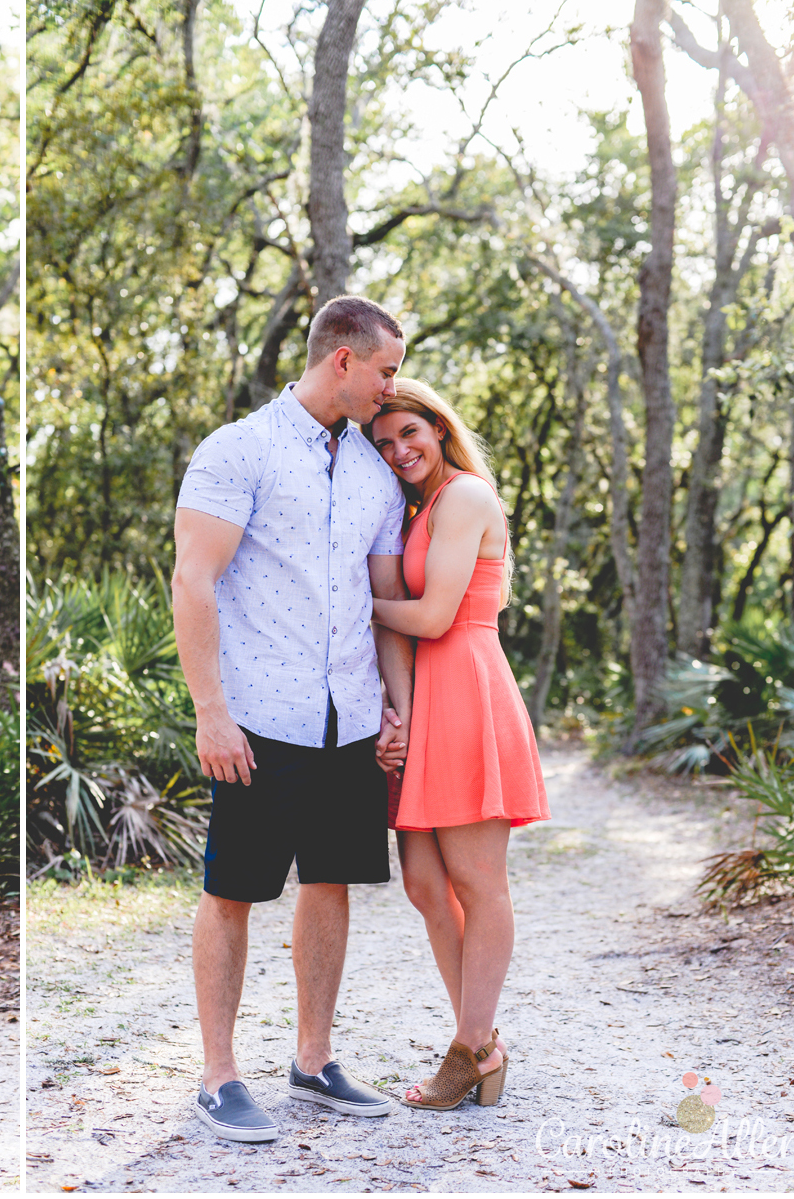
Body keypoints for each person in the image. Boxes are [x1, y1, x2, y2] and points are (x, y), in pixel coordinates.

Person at [172, 295, 415, 1142]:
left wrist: (396, 708)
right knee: (233, 890)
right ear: (341, 359)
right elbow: (192, 582)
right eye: (386, 369)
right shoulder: (237, 451)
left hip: (348, 717)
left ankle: (313, 1060)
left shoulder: (376, 472)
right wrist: (212, 713)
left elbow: (382, 604)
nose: (395, 385)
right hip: (258, 717)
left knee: (332, 881)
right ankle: (219, 1076)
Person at [364, 378, 550, 1110]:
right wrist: (398, 715)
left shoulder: (467, 496)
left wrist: (344, 597)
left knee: (477, 880)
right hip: (427, 698)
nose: (399, 450)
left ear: (439, 428)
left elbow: (435, 616)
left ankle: (470, 1047)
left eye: (409, 432)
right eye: (384, 443)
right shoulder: (416, 511)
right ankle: (483, 1041)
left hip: (468, 688)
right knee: (422, 882)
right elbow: (398, 623)